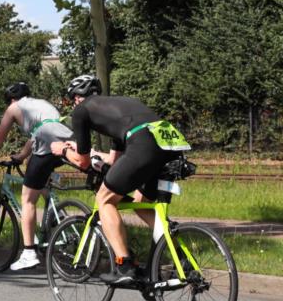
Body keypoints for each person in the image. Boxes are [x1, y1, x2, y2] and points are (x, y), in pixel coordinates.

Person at [50, 75, 190, 284]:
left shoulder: (81, 111)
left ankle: (124, 265)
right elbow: (116, 163)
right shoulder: (120, 106)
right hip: (169, 144)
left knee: (104, 200)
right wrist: (98, 155)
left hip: (143, 144)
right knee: (142, 205)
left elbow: (83, 162)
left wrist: (63, 150)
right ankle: (183, 260)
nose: (74, 104)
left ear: (77, 97)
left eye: (72, 100)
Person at [0, 82, 75, 270]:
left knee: (27, 199)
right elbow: (40, 131)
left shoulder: (13, 108)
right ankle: (57, 217)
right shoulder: (41, 104)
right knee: (39, 182)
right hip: (67, 140)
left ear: (10, 99)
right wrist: (22, 155)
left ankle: (28, 252)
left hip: (46, 143)